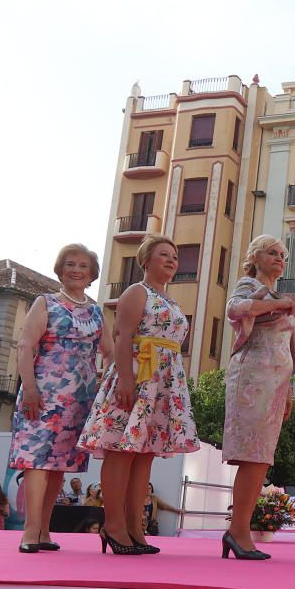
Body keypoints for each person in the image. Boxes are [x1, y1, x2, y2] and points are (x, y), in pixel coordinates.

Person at [79, 235, 199, 556]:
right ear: (146, 260)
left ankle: (135, 526)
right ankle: (114, 524)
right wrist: (126, 381)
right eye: (164, 255)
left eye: (174, 256)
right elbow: (123, 336)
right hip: (137, 374)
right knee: (121, 449)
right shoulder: (137, 291)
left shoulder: (171, 301)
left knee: (144, 453)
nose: (172, 260)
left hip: (163, 381)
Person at [9, 244, 112, 553]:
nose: (76, 269)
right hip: (42, 394)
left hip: (78, 399)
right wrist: (29, 388)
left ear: (92, 273)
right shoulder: (46, 303)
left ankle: (43, 530)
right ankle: (29, 532)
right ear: (60, 269)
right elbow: (25, 346)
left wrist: (110, 376)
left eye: (83, 265)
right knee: (37, 463)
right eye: (70, 263)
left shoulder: (95, 311)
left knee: (58, 466)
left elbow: (108, 350)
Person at [221, 235, 295, 560]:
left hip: (275, 382)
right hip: (252, 376)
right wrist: (278, 304)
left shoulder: (277, 294)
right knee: (252, 455)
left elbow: (287, 347)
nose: (278, 258)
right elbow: (234, 309)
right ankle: (238, 531)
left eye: (282, 254)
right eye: (271, 252)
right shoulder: (248, 285)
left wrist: (288, 391)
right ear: (255, 257)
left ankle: (239, 530)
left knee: (262, 457)